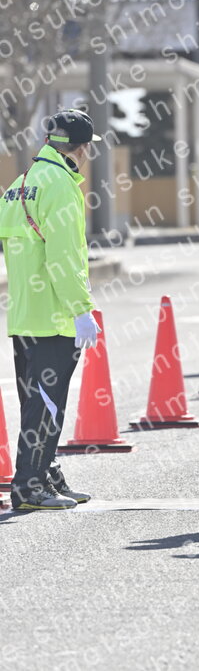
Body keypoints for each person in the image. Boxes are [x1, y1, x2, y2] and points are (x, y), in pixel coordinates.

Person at [0, 109, 102, 510]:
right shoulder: (61, 186)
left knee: (37, 403)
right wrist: (80, 308)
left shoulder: (20, 185)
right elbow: (64, 255)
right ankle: (29, 486)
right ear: (81, 148)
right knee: (46, 405)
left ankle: (46, 474)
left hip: (24, 314)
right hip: (54, 317)